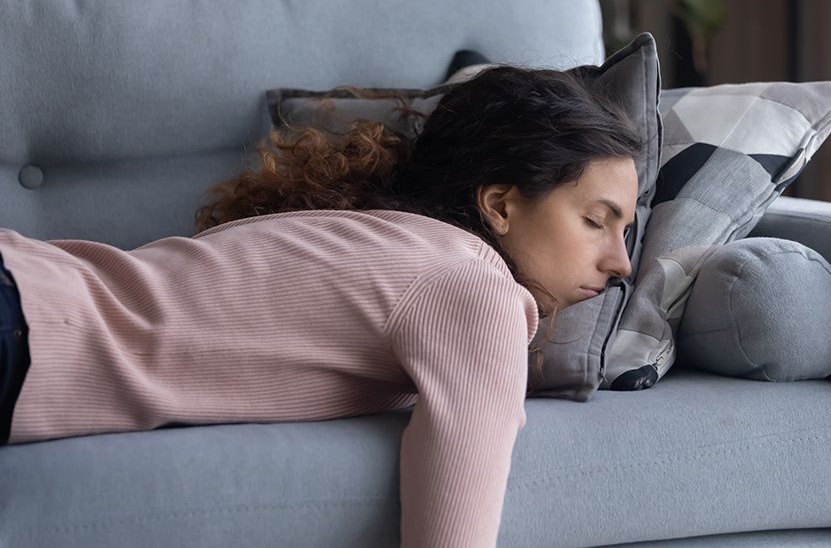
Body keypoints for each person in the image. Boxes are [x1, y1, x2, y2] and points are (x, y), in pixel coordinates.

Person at [0, 65, 641, 547]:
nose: (622, 264)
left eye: (627, 231)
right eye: (595, 221)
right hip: (25, 325)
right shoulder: (474, 291)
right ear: (499, 204)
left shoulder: (383, 239)